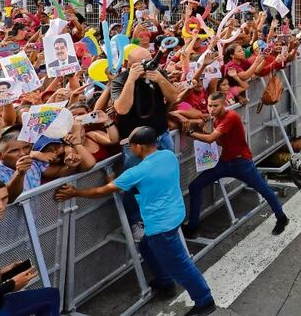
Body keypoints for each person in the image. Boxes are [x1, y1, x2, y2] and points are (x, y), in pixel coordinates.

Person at [54, 127, 215, 316]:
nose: (130, 150)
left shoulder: (138, 172)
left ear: (139, 146)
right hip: (175, 216)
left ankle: (204, 301)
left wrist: (75, 192)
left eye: (130, 147)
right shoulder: (168, 156)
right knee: (146, 246)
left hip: (160, 227)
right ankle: (164, 282)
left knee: (181, 266)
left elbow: (101, 191)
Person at [182, 90, 290, 236]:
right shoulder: (216, 119)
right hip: (225, 162)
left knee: (264, 190)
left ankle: (281, 218)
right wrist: (203, 131)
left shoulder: (230, 117)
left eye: (215, 106)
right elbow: (219, 141)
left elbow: (211, 140)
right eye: (209, 105)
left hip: (242, 163)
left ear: (223, 104)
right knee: (195, 186)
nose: (211, 109)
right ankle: (193, 226)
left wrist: (190, 133)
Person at [110, 46, 181, 236]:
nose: (147, 65)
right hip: (135, 145)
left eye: (149, 60)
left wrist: (160, 79)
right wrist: (132, 79)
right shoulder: (120, 80)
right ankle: (136, 223)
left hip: (161, 137)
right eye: (142, 63)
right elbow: (122, 109)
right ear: (128, 64)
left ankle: (166, 214)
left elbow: (174, 97)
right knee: (135, 185)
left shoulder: (157, 73)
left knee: (166, 177)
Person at [0, 179, 60, 316]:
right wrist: (10, 285)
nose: (0, 207)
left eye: (4, 199)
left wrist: (0, 273)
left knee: (51, 296)